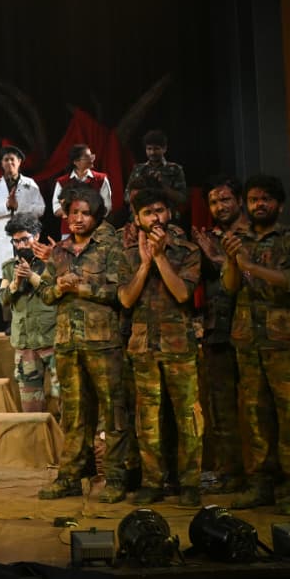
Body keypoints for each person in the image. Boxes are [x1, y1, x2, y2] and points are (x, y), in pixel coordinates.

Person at [33, 187, 133, 503]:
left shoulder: (110, 248)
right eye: (73, 212)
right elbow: (44, 293)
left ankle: (116, 478)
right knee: (73, 414)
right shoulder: (60, 251)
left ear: (96, 217)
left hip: (103, 343)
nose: (78, 218)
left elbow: (121, 293)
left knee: (113, 412)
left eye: (85, 213)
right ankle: (70, 477)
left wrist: (83, 288)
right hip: (67, 343)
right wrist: (59, 288)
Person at [221, 175, 290, 515]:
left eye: (266, 199)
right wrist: (233, 262)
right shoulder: (239, 238)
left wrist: (250, 265)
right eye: (253, 199)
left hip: (284, 343)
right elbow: (232, 286)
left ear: (279, 205)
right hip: (248, 341)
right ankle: (260, 484)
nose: (259, 205)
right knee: (255, 416)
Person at [117, 186, 203, 508]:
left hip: (179, 344)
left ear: (170, 213)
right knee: (147, 419)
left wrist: (160, 257)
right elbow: (126, 299)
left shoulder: (187, 251)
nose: (155, 217)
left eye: (160, 210)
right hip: (143, 347)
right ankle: (152, 482)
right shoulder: (127, 254)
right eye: (148, 212)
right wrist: (143, 264)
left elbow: (182, 294)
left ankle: (189, 483)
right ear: (137, 218)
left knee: (187, 417)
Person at [189, 175, 249, 495]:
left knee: (257, 407)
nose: (219, 207)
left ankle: (263, 474)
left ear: (239, 201)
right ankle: (230, 472)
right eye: (213, 202)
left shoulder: (256, 235)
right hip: (216, 331)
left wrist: (219, 258)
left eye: (225, 199)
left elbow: (257, 277)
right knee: (220, 408)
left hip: (253, 331)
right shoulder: (206, 238)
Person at [0, 212, 58, 414]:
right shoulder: (9, 267)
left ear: (36, 236)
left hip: (52, 339)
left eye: (25, 239)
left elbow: (56, 292)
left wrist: (31, 276)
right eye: (16, 241)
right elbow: (3, 299)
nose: (21, 245)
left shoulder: (53, 261)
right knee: (31, 408)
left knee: (65, 401)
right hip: (25, 343)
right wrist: (16, 282)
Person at [0, 146, 47, 327]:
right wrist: (6, 206)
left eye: (13, 159)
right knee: (7, 277)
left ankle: (29, 318)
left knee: (28, 275)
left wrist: (18, 207)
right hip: (3, 240)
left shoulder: (30, 184)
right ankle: (9, 323)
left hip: (25, 240)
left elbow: (41, 209)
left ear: (19, 162)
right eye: (6, 160)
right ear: (1, 163)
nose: (9, 163)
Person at [52, 144, 113, 239]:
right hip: (69, 232)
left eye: (92, 156)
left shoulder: (100, 179)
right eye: (87, 157)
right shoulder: (62, 182)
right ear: (76, 162)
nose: (92, 159)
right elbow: (56, 209)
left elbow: (107, 207)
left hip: (96, 231)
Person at [124, 130, 188, 211]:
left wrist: (164, 187)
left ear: (164, 149)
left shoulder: (175, 169)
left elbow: (182, 198)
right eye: (149, 149)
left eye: (156, 149)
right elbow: (126, 197)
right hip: (141, 213)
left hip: (167, 214)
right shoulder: (138, 169)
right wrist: (141, 189)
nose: (152, 152)